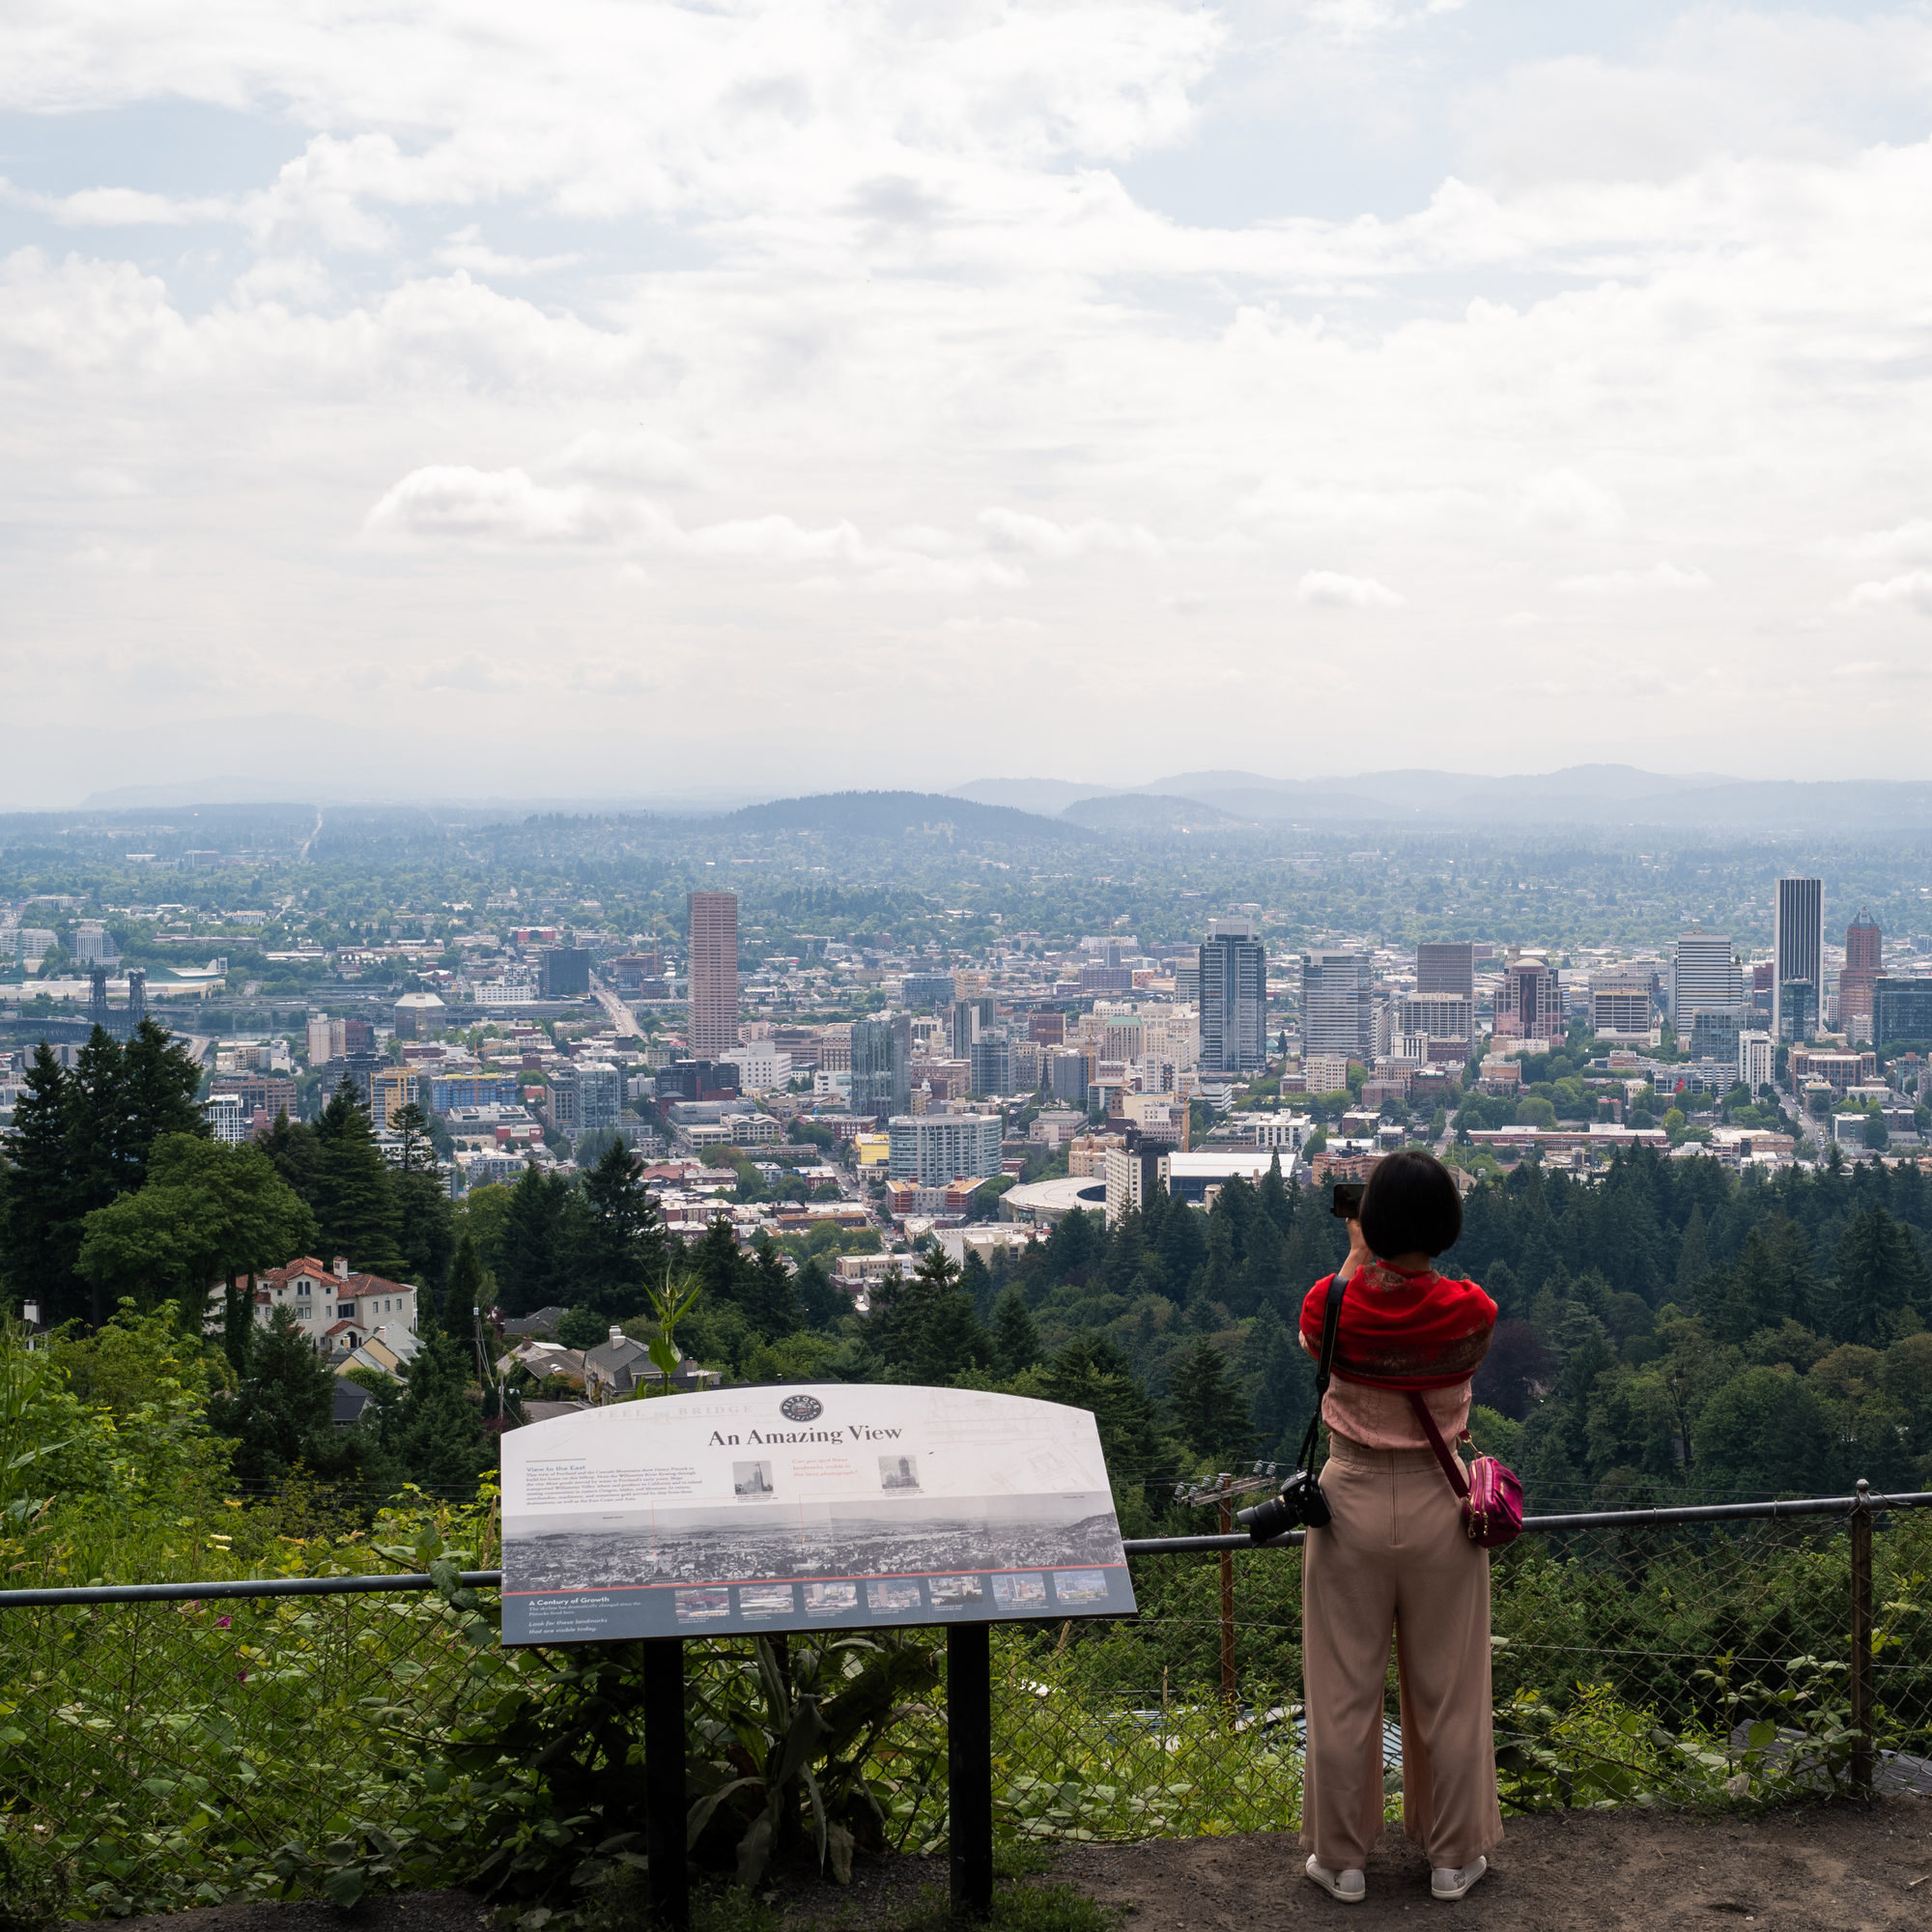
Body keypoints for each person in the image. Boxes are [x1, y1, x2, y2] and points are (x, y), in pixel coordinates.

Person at [1295, 1149, 1501, 1905]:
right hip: (1440, 1505)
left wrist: (1356, 1263)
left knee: (1344, 1689)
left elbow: (1318, 1346)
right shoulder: (1471, 1311)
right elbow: (1444, 1334)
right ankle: (1452, 1858)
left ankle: (1342, 1861)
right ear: (1444, 1220)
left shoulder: (1332, 1301)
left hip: (1346, 1500)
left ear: (1369, 1219)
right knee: (1450, 1689)